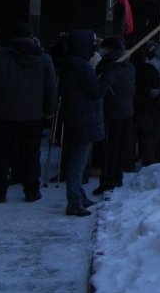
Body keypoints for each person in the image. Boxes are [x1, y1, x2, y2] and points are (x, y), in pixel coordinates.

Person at [0, 23, 57, 203]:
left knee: (1, 155)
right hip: (32, 114)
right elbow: (50, 87)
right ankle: (32, 190)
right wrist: (50, 110)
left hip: (3, 113)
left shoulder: (0, 56)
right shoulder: (43, 58)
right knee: (31, 153)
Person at [58, 29, 109, 216]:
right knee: (77, 163)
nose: (94, 48)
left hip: (77, 117)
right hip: (83, 119)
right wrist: (108, 76)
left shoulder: (72, 64)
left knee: (78, 160)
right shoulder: (80, 66)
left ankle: (79, 195)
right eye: (92, 44)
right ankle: (74, 200)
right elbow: (96, 91)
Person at [93, 37, 135, 195]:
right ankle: (117, 176)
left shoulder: (110, 66)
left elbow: (101, 89)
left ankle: (107, 180)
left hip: (111, 111)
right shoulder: (129, 66)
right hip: (127, 110)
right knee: (120, 146)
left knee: (109, 148)